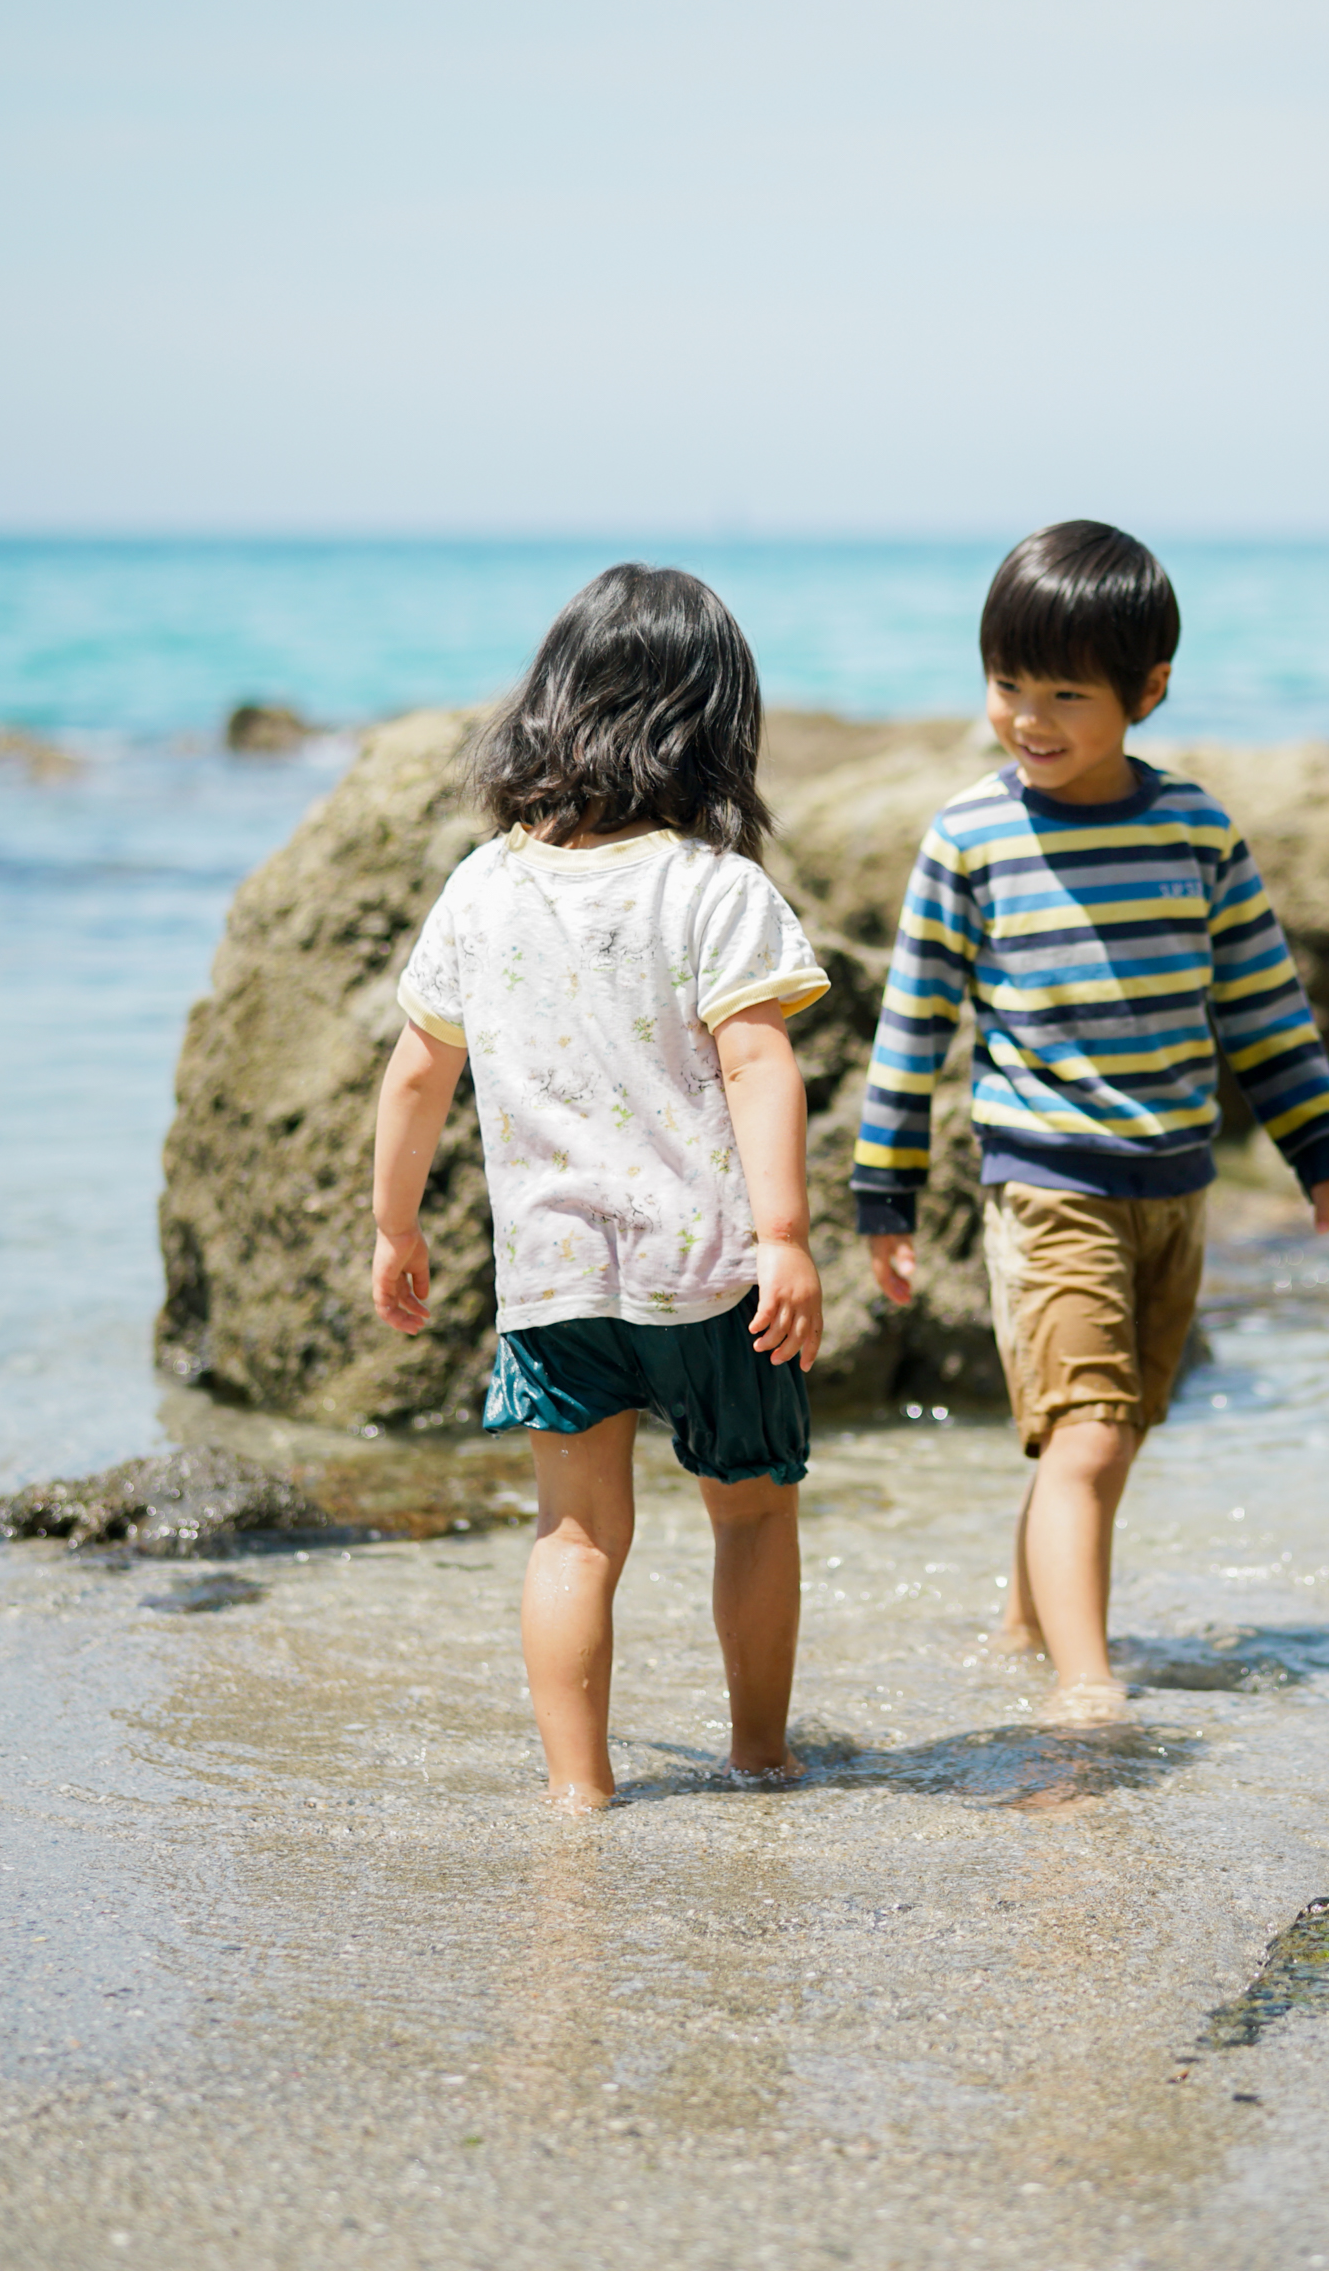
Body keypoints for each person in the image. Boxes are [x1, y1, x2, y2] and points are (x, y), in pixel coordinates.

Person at [851, 520, 1329, 1717]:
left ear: (1149, 690)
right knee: (1083, 1432)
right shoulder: (970, 840)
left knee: (1111, 1434)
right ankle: (1088, 1686)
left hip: (1174, 1187)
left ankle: (1027, 1624)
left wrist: (1323, 1153)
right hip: (1044, 1182)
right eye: (1006, 685)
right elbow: (913, 1024)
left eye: (1065, 693)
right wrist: (884, 1190)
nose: (1030, 717)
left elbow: (1264, 1011)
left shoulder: (1195, 833)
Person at [368, 564, 830, 1809]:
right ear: (711, 728)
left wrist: (395, 1224)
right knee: (750, 1518)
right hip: (711, 1274)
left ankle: (580, 1791)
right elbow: (757, 1061)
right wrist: (784, 1234)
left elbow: (417, 1075)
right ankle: (758, 1754)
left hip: (554, 1275)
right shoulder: (713, 889)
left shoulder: (483, 887)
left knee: (574, 1538)